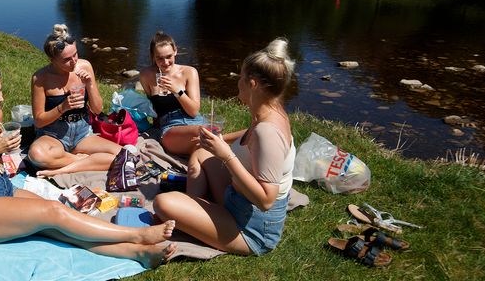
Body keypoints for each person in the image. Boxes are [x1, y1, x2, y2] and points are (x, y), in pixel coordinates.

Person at [0, 54, 177, 267]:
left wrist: (5, 155)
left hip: (3, 188)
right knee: (54, 211)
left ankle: (139, 254)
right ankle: (135, 235)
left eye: (0, 92)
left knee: (61, 223)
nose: (1, 99)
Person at [153, 38, 296, 256]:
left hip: (252, 229)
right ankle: (195, 210)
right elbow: (251, 136)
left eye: (241, 77)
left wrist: (226, 155)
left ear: (253, 84)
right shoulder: (271, 111)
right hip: (237, 200)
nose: (238, 82)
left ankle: (192, 213)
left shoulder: (268, 132)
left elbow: (266, 200)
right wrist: (217, 140)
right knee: (200, 152)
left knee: (163, 203)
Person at [28, 24, 122, 176]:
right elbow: (39, 121)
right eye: (66, 59)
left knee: (122, 154)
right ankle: (83, 161)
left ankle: (64, 166)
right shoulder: (41, 78)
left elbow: (97, 110)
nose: (74, 61)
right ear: (52, 59)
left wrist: (90, 84)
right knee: (37, 155)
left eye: (75, 54)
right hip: (53, 134)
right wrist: (62, 107)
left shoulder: (85, 66)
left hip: (82, 133)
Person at [138, 31, 205, 155]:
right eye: (160, 58)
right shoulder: (146, 75)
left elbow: (194, 111)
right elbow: (155, 111)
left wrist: (177, 91)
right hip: (170, 126)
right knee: (206, 133)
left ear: (175, 51)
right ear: (153, 56)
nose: (165, 62)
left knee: (202, 141)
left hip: (194, 121)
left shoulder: (189, 72)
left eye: (169, 56)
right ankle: (230, 138)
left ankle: (245, 134)